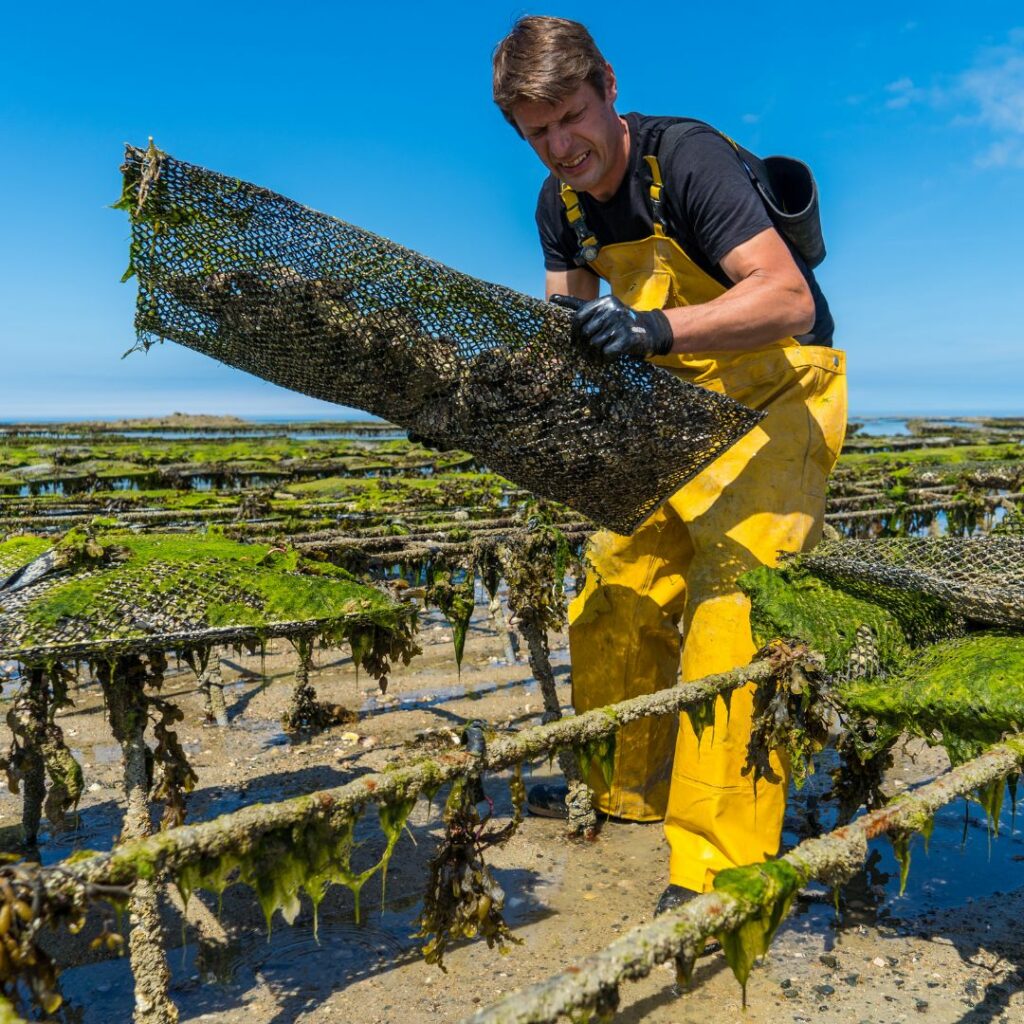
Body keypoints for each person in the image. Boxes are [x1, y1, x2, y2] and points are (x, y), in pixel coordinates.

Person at [492, 15, 848, 914]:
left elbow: (784, 295)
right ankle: (627, 786)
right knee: (614, 585)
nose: (561, 146)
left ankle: (718, 867)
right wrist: (481, 411)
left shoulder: (683, 159)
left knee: (729, 611)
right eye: (538, 133)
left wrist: (651, 329)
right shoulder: (557, 206)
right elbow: (563, 338)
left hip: (779, 393)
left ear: (608, 86)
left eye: (571, 117)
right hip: (673, 402)